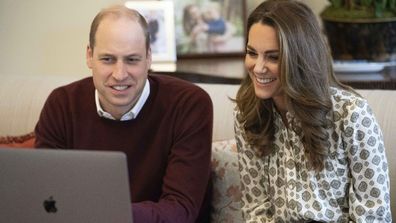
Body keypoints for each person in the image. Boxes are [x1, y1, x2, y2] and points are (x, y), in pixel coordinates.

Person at [34, 5, 213, 223]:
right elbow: (46, 199)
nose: (120, 75)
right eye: (108, 59)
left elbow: (179, 212)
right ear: (89, 56)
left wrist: (98, 212)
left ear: (148, 58)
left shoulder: (189, 105)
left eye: (132, 60)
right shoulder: (62, 104)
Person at [234, 0, 391, 222]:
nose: (258, 67)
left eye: (273, 57)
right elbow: (256, 209)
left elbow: (374, 215)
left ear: (300, 57)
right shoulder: (247, 115)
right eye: (252, 53)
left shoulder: (352, 114)